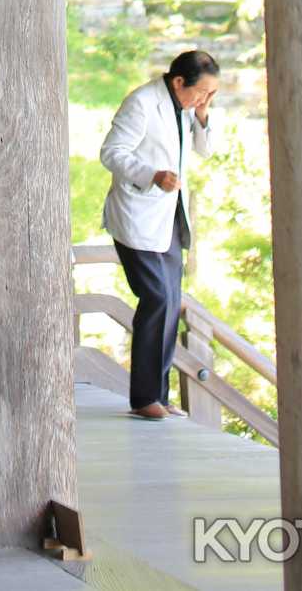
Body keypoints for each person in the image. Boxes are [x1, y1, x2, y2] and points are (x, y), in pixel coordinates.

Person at [100, 49, 219, 419]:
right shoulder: (142, 103)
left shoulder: (186, 107)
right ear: (178, 81)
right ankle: (144, 398)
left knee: (170, 302)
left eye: (210, 95)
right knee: (156, 297)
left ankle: (159, 395)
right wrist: (152, 174)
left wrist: (202, 115)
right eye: (201, 93)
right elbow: (111, 152)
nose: (203, 99)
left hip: (168, 218)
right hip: (138, 215)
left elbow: (206, 150)